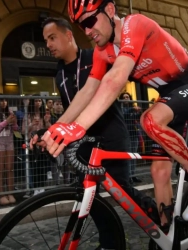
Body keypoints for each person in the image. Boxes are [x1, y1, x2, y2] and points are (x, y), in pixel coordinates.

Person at [40, 0, 188, 232]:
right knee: (158, 171)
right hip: (169, 99)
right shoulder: (102, 52)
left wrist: (78, 127)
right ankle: (169, 234)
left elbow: (116, 78)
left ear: (110, 10)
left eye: (91, 21)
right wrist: (57, 127)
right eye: (82, 26)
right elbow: (87, 91)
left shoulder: (135, 24)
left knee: (149, 120)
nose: (88, 30)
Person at [37, 17, 159, 249]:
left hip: (111, 134)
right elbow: (70, 110)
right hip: (83, 142)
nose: (49, 44)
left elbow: (104, 90)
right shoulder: (59, 73)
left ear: (69, 35)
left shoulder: (94, 56)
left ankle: (156, 214)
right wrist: (52, 132)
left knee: (122, 191)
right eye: (46, 40)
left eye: (52, 37)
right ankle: (110, 243)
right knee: (87, 196)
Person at [119, 92, 142, 183]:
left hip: (134, 134)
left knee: (134, 156)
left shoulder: (131, 109)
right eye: (124, 97)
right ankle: (127, 176)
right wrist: (132, 109)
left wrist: (139, 113)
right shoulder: (121, 108)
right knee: (127, 156)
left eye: (127, 97)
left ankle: (133, 175)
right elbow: (123, 116)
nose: (126, 99)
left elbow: (136, 118)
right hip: (125, 135)